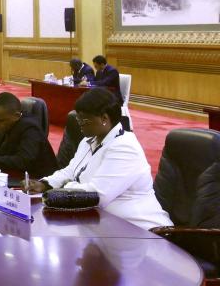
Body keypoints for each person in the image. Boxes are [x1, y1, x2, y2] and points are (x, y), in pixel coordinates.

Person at [25, 88, 171, 230]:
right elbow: (71, 170)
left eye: (84, 120)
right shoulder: (89, 140)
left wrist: (65, 188)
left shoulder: (124, 148)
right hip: (101, 224)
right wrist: (45, 184)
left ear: (104, 118)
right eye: (78, 118)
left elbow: (97, 195)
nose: (79, 124)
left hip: (139, 230)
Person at [0, 92, 58, 178]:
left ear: (16, 116)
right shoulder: (8, 122)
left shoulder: (31, 129)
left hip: (37, 180)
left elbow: (23, 161)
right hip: (15, 175)